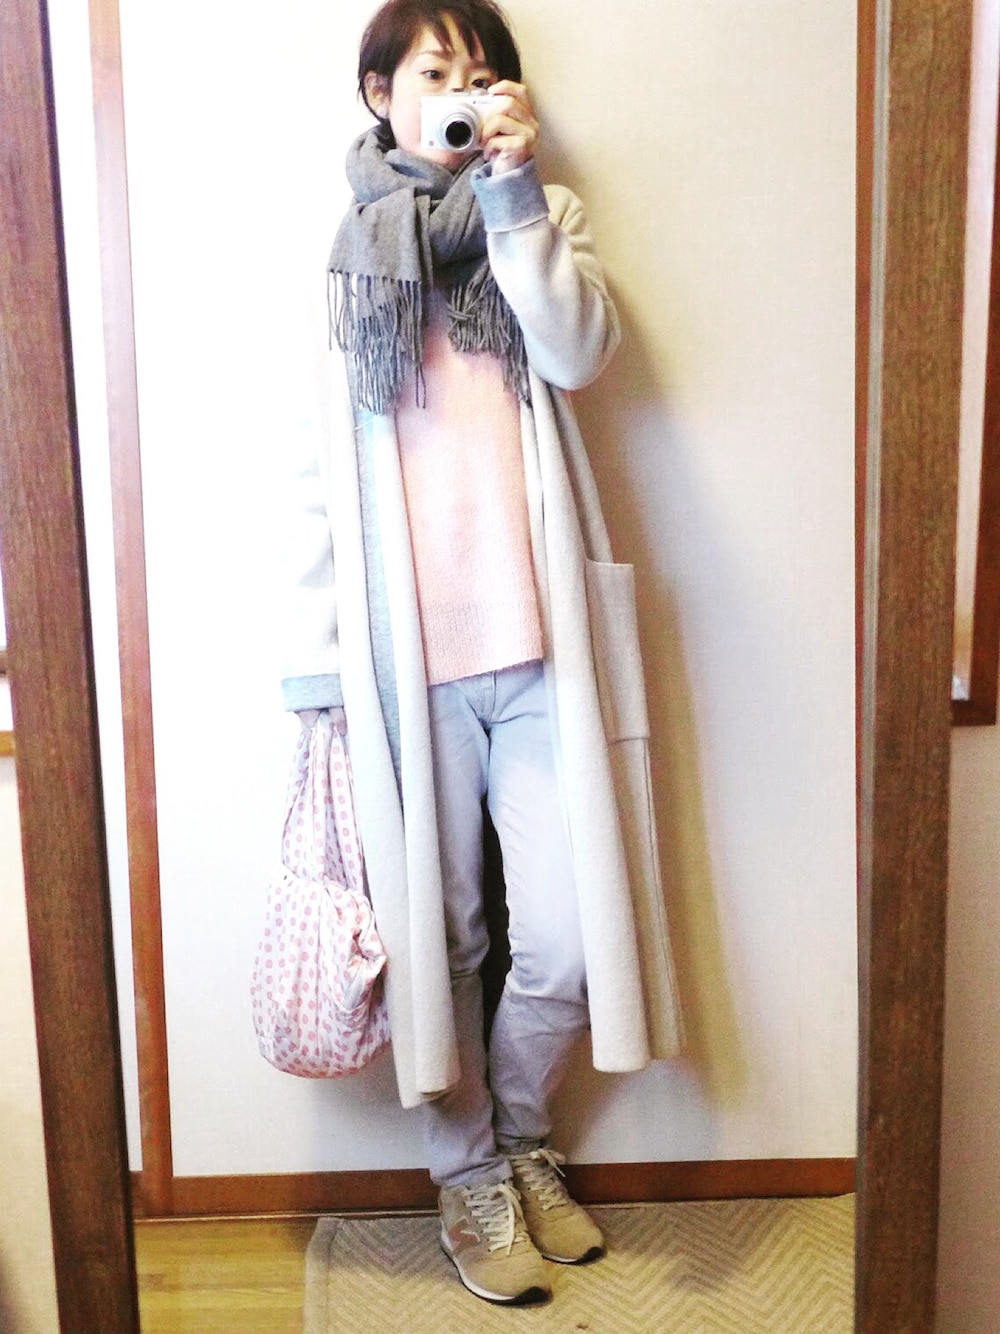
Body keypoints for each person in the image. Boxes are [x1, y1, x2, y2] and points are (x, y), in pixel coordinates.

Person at [280, 0, 682, 1305]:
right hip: (409, 665)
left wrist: (514, 192)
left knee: (565, 940)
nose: (457, 91)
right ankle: (469, 1179)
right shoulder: (345, 262)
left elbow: (577, 351)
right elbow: (314, 481)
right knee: (443, 941)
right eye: (434, 70)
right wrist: (316, 674)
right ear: (381, 92)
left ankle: (521, 1137)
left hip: (541, 641)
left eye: (480, 72)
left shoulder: (539, 216)